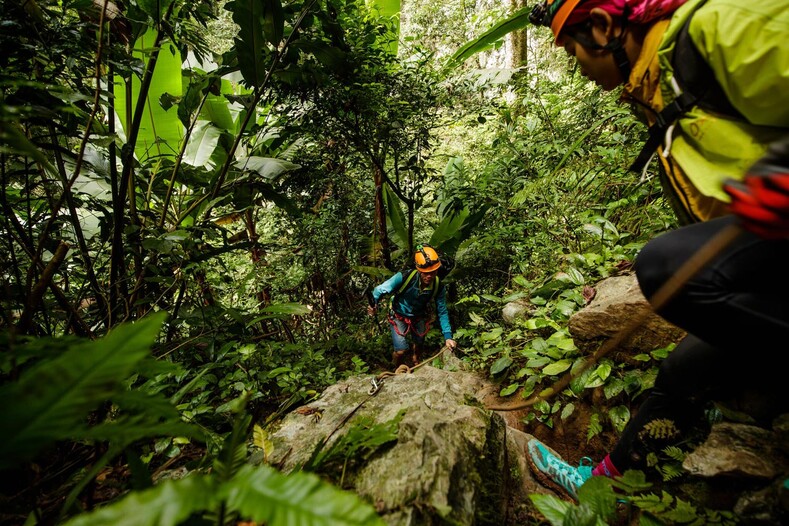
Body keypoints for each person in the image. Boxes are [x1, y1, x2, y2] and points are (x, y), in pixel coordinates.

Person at [523, 0, 789, 502]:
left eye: (573, 52)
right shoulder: (658, 82)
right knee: (680, 374)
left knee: (665, 266)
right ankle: (605, 487)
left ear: (602, 27)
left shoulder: (720, 27)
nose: (578, 71)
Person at [368, 244, 457, 367]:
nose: (429, 276)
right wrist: (374, 305)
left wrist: (448, 337)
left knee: (419, 343)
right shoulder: (404, 277)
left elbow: (442, 311)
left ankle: (415, 360)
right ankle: (398, 367)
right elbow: (379, 290)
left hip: (418, 316)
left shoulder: (438, 286)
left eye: (432, 272)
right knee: (400, 350)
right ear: (419, 270)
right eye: (425, 273)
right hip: (398, 314)